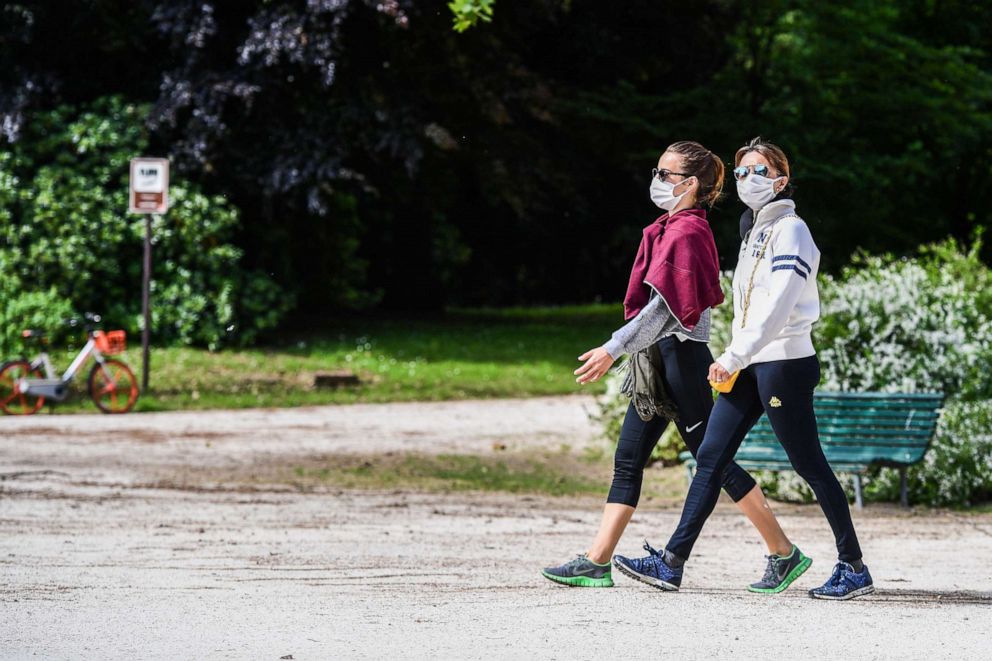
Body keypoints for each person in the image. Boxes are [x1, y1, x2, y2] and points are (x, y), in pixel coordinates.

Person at [541, 141, 810, 594]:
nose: (656, 180)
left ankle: (783, 552)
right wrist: (628, 349)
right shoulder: (669, 228)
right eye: (657, 171)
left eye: (665, 174)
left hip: (683, 363)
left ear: (689, 184)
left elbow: (667, 311)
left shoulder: (689, 234)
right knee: (628, 459)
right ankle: (596, 561)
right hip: (655, 361)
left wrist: (614, 347)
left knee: (715, 461)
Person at [613, 137, 874, 600]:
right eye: (740, 172)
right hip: (750, 363)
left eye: (758, 171)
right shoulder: (754, 231)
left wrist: (734, 355)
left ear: (780, 180)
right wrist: (734, 354)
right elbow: (746, 306)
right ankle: (672, 563)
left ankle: (852, 566)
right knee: (709, 458)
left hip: (783, 365)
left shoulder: (792, 230)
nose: (747, 179)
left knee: (808, 463)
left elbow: (777, 308)